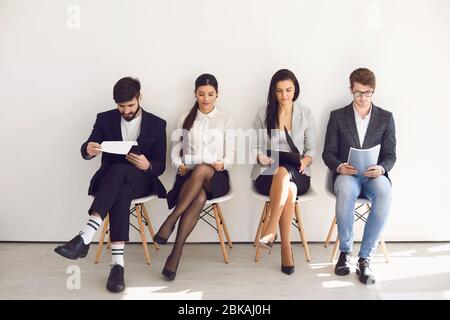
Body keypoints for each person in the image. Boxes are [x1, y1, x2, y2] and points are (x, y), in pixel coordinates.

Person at [54, 77, 167, 293]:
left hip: (142, 181)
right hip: (112, 184)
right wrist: (88, 149)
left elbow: (161, 164)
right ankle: (117, 266)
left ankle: (86, 236)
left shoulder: (157, 123)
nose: (126, 111)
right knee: (121, 187)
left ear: (140, 98)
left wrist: (147, 165)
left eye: (130, 105)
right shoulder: (104, 119)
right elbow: (88, 146)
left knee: (120, 171)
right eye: (121, 106)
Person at [154, 73, 235, 280]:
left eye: (210, 94)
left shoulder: (226, 119)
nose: (205, 99)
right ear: (195, 94)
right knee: (198, 196)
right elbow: (174, 151)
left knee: (202, 168)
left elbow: (232, 155)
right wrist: (179, 165)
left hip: (216, 177)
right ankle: (176, 253)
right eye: (201, 94)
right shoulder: (184, 118)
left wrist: (221, 163)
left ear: (217, 94)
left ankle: (171, 219)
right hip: (189, 178)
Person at [322, 67, 396, 285]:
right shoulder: (337, 116)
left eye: (367, 93)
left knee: (385, 192)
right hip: (348, 175)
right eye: (358, 92)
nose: (363, 98)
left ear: (373, 91)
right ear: (350, 90)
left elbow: (391, 155)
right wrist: (338, 167)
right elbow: (328, 153)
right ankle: (345, 253)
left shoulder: (385, 117)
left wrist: (382, 168)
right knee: (345, 190)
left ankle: (365, 258)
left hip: (374, 175)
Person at [251, 69, 316, 275]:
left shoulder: (305, 114)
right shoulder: (263, 113)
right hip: (268, 171)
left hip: (298, 171)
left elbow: (312, 148)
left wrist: (305, 161)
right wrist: (260, 156)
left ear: (295, 89)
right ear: (273, 92)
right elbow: (256, 145)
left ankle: (270, 230)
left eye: (288, 90)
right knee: (283, 181)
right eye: (279, 91)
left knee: (284, 176)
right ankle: (286, 249)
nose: (284, 95)